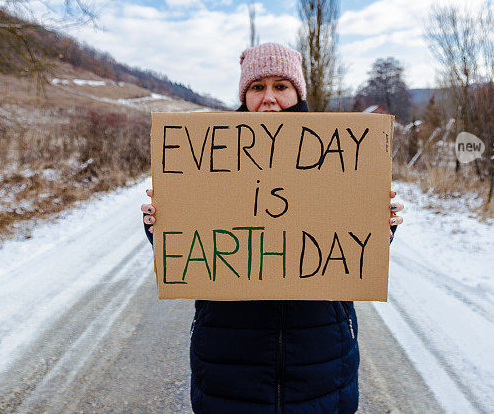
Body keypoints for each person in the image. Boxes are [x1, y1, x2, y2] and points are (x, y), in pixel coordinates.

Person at [141, 43, 404, 413]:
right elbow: (197, 246)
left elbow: (346, 244)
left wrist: (378, 223)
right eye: (257, 87)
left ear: (297, 93)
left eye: (281, 86)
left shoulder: (336, 155)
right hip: (229, 362)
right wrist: (164, 223)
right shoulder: (212, 158)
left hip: (321, 357)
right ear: (244, 95)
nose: (269, 99)